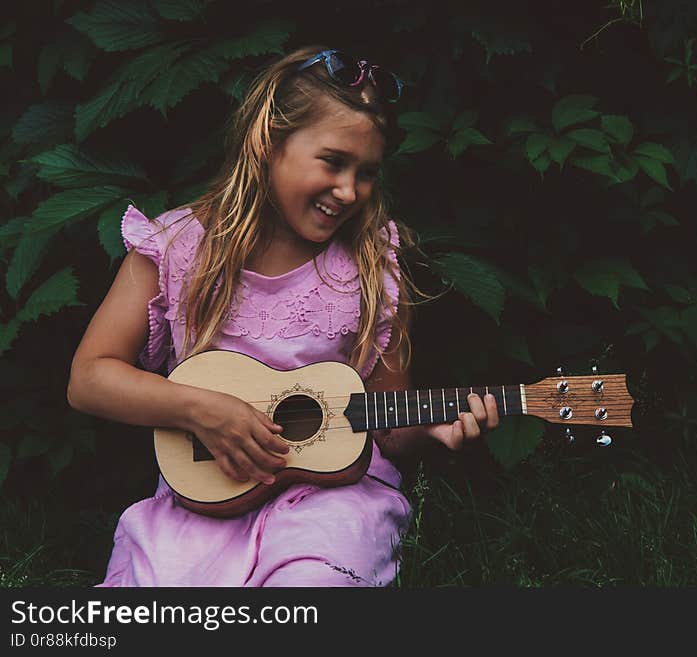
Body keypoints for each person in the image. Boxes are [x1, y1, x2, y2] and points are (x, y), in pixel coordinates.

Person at [66, 46, 500, 587]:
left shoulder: (372, 265)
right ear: (268, 142)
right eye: (333, 162)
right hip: (207, 498)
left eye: (366, 172)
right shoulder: (177, 247)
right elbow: (89, 378)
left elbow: (388, 425)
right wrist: (202, 410)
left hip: (333, 504)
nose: (349, 191)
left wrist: (429, 428)